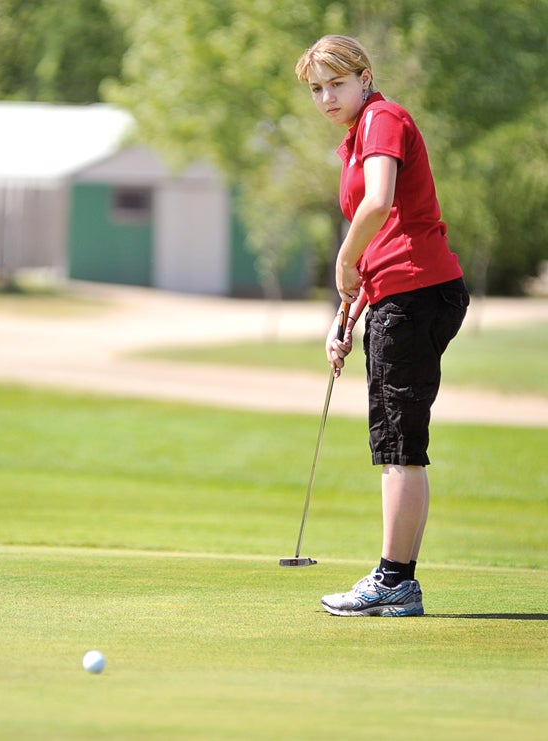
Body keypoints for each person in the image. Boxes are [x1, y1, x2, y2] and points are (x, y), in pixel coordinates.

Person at [295, 35, 469, 616]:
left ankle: (394, 580)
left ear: (364, 77)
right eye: (316, 88)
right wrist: (345, 315)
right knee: (401, 442)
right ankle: (400, 582)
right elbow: (382, 244)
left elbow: (378, 205)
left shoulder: (382, 119)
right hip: (405, 293)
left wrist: (342, 261)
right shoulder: (357, 136)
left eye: (335, 84)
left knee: (398, 445)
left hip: (418, 294)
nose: (325, 98)